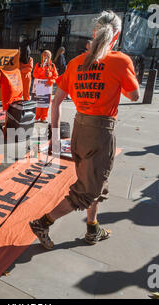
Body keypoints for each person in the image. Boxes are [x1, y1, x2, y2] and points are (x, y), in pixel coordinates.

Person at [29, 10, 140, 249]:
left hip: (79, 128)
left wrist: (56, 138)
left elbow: (56, 102)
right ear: (117, 35)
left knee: (97, 183)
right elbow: (134, 95)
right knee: (87, 191)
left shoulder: (75, 63)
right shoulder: (120, 61)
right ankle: (43, 222)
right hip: (100, 131)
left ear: (94, 32)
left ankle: (92, 229)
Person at [32, 50, 59, 123]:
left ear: (50, 57)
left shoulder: (52, 65)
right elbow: (35, 75)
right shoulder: (38, 65)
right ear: (42, 57)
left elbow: (55, 76)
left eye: (47, 56)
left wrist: (51, 81)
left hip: (47, 87)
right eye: (44, 56)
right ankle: (37, 117)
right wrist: (41, 68)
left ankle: (44, 117)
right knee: (39, 101)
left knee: (46, 102)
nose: (46, 57)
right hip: (39, 87)